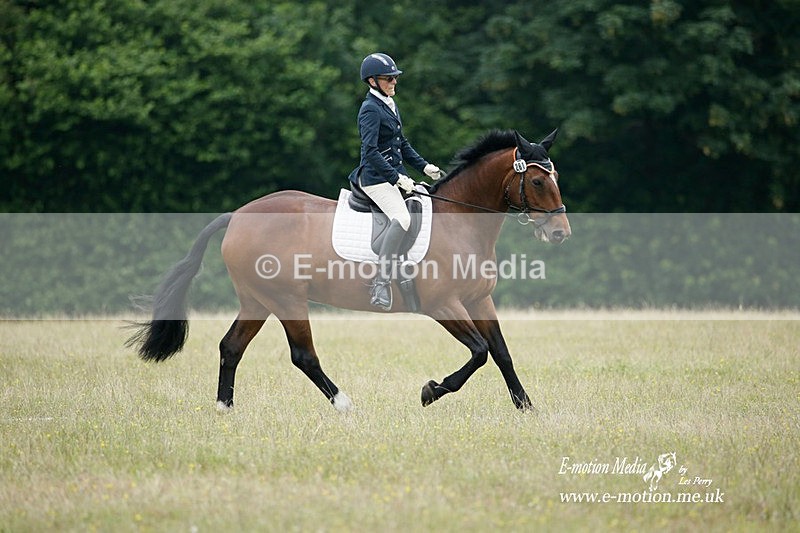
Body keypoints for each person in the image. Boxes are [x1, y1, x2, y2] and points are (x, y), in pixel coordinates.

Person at [348, 52, 442, 310]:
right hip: (376, 179)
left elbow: (402, 144)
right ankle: (381, 281)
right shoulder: (370, 109)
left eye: (394, 77)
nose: (394, 82)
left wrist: (424, 167)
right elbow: (370, 152)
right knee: (402, 219)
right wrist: (396, 178)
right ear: (372, 81)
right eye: (389, 78)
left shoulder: (389, 103)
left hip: (394, 175)